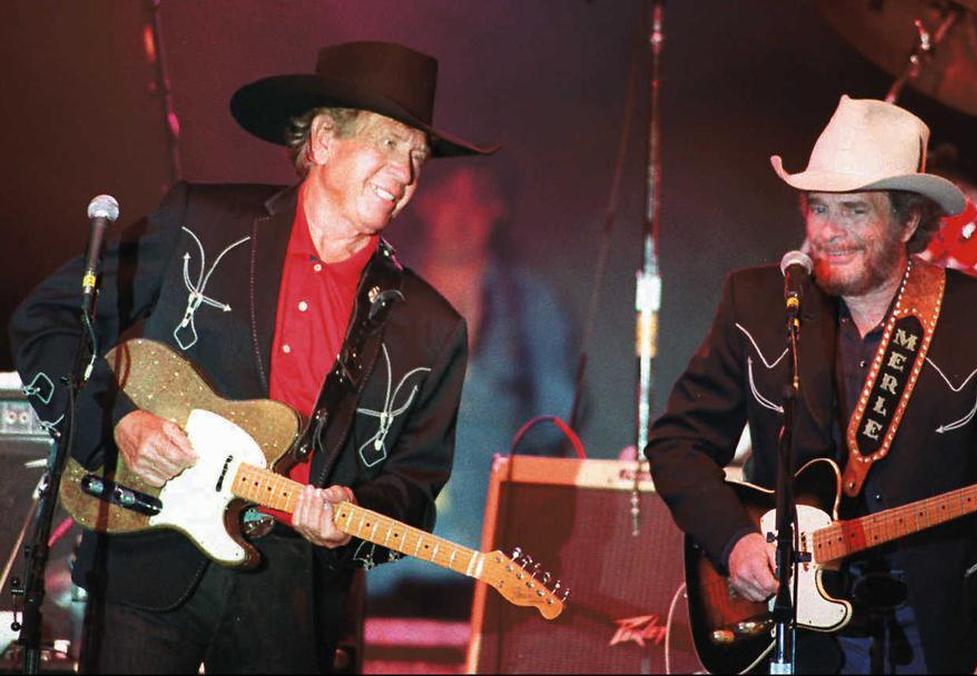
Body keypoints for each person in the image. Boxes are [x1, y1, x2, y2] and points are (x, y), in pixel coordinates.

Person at [9, 40, 493, 673]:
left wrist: (353, 516)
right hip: (149, 559)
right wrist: (120, 422)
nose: (403, 174)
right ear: (322, 140)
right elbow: (49, 323)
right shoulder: (201, 224)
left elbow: (415, 484)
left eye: (416, 156)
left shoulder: (429, 328)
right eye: (386, 144)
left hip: (291, 599)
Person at [646, 96, 977, 674]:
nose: (829, 233)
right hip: (791, 627)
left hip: (931, 630)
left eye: (854, 211)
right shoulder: (759, 302)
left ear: (909, 221)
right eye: (818, 208)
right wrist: (733, 540)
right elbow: (677, 443)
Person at [368, 162, 575, 618]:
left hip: (488, 560)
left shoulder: (531, 303)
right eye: (449, 198)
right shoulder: (383, 291)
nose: (461, 215)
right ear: (424, 202)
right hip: (384, 561)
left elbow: (555, 422)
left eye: (477, 200)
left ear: (498, 209)